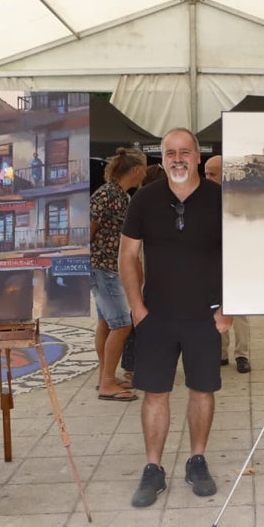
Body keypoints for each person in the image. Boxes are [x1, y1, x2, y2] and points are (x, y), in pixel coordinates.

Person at [119, 128, 230, 508]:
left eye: (185, 152)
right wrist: (137, 308)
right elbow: (128, 256)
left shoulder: (221, 199)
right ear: (161, 159)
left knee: (203, 390)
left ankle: (197, 461)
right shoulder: (145, 200)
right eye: (170, 153)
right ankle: (153, 468)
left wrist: (229, 307)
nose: (178, 158)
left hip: (205, 315)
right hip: (157, 317)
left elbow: (241, 255)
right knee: (155, 393)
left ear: (198, 157)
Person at [90, 146, 148, 402]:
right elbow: (90, 229)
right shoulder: (108, 195)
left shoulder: (120, 195)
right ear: (135, 170)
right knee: (122, 324)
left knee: (106, 322)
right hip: (103, 267)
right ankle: (107, 384)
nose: (145, 175)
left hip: (107, 267)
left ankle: (106, 376)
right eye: (143, 170)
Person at [203, 155, 251, 373]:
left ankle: (242, 355)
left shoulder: (238, 198)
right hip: (212, 263)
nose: (207, 178)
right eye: (205, 173)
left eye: (212, 174)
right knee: (215, 307)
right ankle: (220, 353)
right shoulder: (202, 198)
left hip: (236, 262)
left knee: (239, 311)